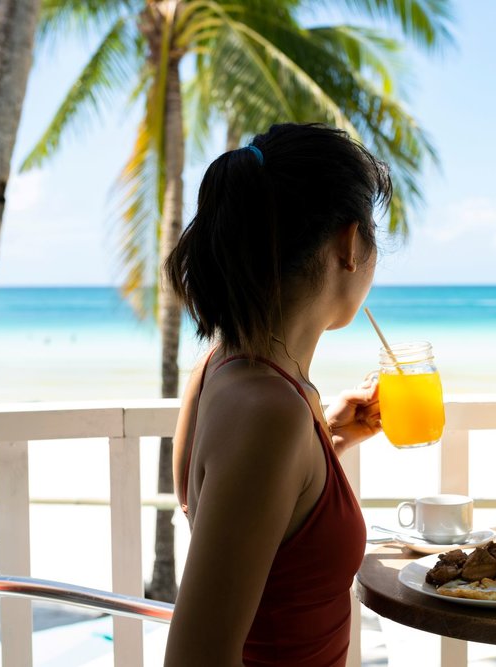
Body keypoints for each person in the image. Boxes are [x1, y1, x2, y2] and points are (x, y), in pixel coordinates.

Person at [162, 123, 389, 666]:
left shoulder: (221, 367)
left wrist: (329, 437)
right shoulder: (269, 412)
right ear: (349, 243)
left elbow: (255, 533)